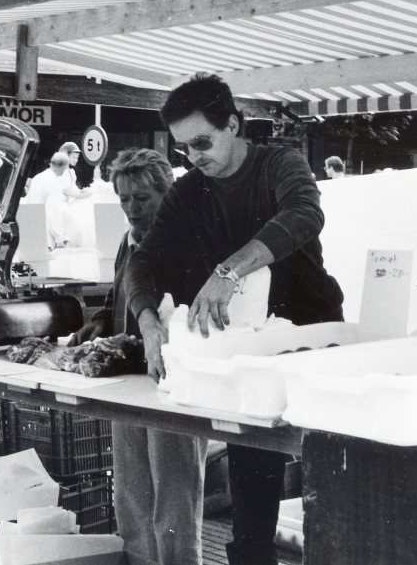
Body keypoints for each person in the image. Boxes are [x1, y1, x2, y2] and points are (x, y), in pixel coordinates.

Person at [124, 73, 343, 565]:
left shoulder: (278, 163)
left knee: (327, 467)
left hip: (313, 336)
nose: (193, 156)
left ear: (234, 125)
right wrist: (146, 319)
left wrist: (229, 271)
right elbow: (146, 259)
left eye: (202, 142)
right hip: (249, 348)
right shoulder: (188, 192)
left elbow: (305, 213)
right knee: (252, 467)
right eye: (183, 149)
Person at [72, 148, 206, 565]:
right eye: (125, 199)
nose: (132, 208)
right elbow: (120, 292)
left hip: (171, 383)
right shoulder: (128, 241)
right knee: (129, 485)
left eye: (142, 199)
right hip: (127, 381)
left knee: (175, 488)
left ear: (166, 195)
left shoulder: (188, 242)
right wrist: (98, 322)